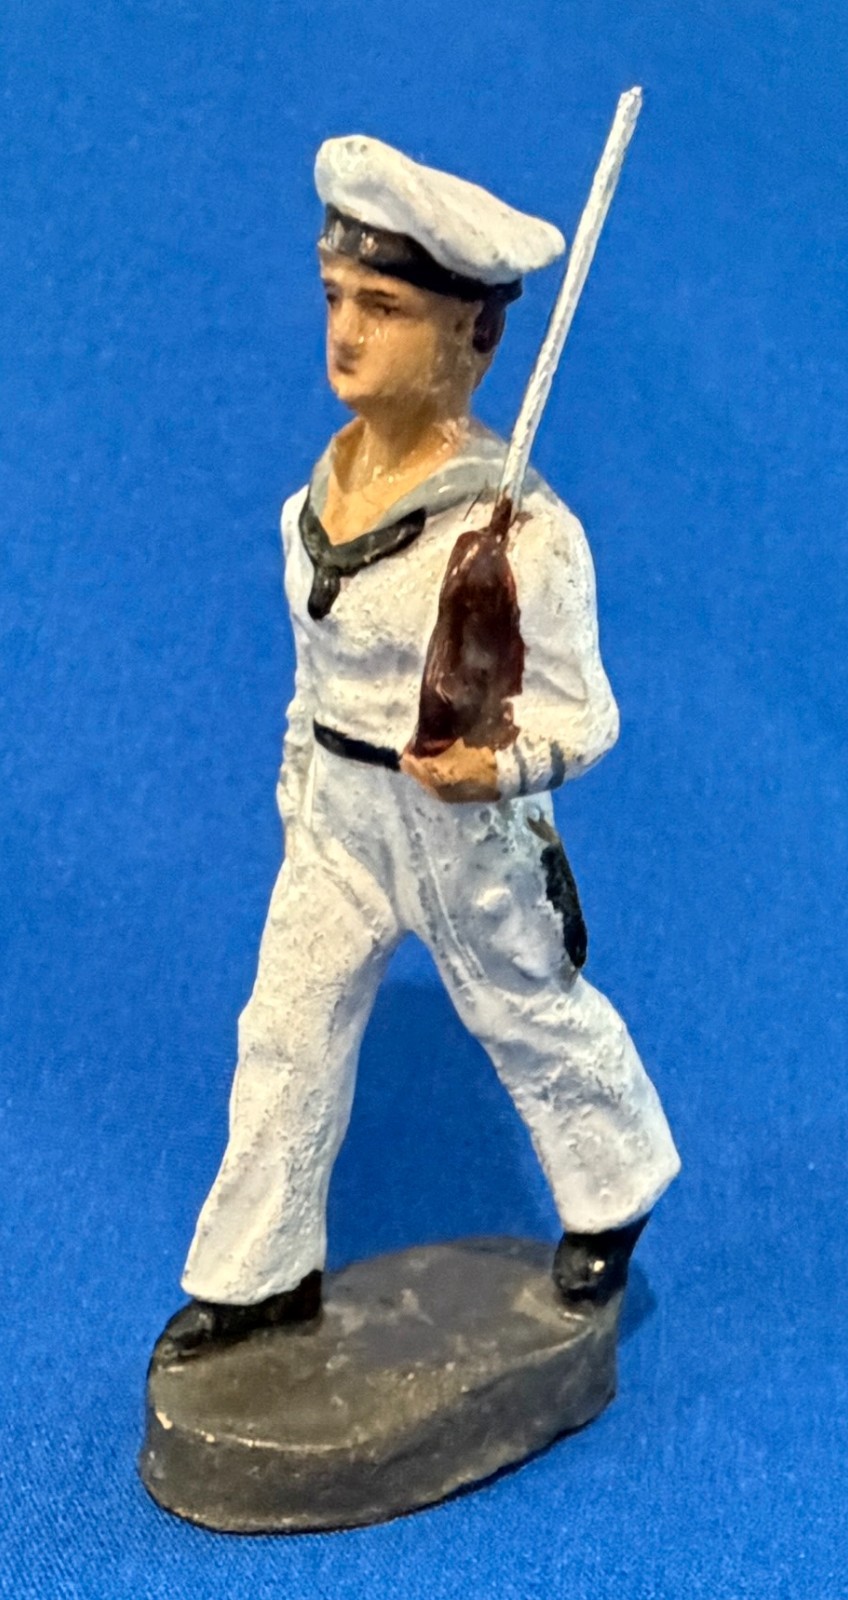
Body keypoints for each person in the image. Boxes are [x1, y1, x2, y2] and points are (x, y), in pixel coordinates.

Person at [158, 135, 680, 1361]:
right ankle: (258, 1273)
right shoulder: (306, 509)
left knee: (526, 1014)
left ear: (471, 339)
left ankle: (613, 1189)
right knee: (283, 1030)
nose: (344, 333)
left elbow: (587, 717)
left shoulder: (519, 532)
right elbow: (310, 682)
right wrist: (296, 791)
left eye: (382, 309)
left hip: (457, 828)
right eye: (334, 296)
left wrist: (494, 770)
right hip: (340, 816)